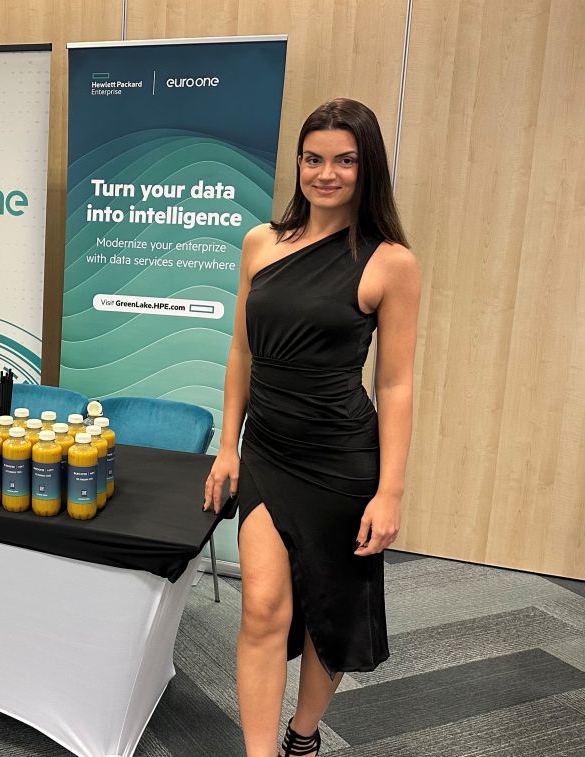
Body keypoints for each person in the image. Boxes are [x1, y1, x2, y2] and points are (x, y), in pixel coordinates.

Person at [203, 98, 420, 757]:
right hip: (267, 451)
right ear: (298, 163)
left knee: (331, 610)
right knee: (263, 608)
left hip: (341, 459)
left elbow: (396, 384)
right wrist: (228, 445)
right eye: (313, 158)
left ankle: (302, 735)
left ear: (367, 167)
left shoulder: (390, 262)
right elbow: (241, 351)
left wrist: (390, 491)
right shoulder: (260, 243)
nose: (326, 173)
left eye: (344, 161)